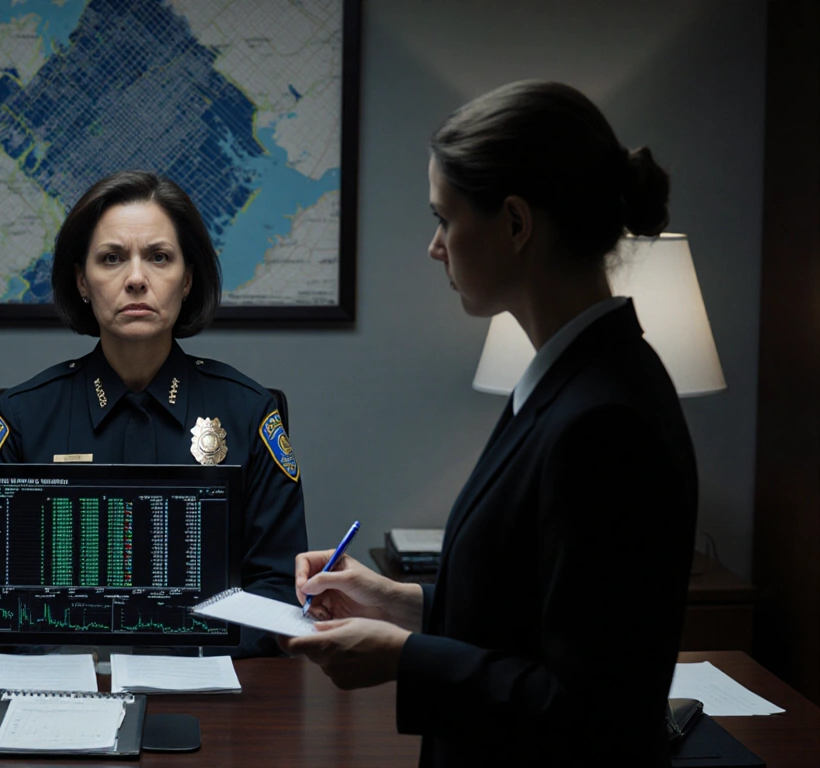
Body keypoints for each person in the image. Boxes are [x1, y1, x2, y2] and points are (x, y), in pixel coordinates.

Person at [282, 80, 698, 766]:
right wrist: (399, 604)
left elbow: (593, 710)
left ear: (513, 223)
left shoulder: (605, 421)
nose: (434, 246)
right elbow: (533, 614)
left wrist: (406, 658)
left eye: (444, 218)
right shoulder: (566, 383)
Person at [0, 171, 308, 658]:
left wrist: (170, 647)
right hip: (63, 696)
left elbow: (278, 587)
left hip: (215, 695)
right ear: (82, 280)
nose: (137, 278)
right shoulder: (23, 415)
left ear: (187, 280)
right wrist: (79, 651)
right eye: (111, 258)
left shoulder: (248, 413)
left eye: (159, 257)